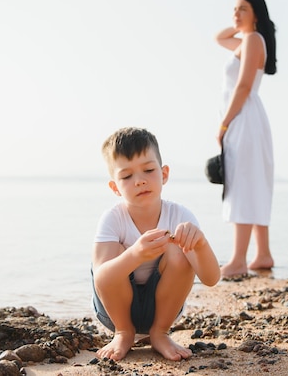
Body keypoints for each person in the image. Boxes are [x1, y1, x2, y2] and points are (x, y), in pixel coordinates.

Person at [92, 127, 220, 361]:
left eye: (148, 170)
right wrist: (135, 255)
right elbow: (101, 278)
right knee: (112, 258)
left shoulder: (180, 215)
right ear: (115, 187)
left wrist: (200, 244)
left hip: (164, 310)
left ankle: (160, 333)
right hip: (115, 311)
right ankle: (124, 333)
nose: (139, 181)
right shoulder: (113, 219)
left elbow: (211, 279)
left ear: (164, 174)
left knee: (181, 250)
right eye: (127, 176)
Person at [215, 0, 277, 278]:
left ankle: (238, 260)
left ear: (257, 14)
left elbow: (242, 87)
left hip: (243, 119)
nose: (235, 14)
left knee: (242, 185)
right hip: (250, 120)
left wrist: (224, 124)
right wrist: (242, 24)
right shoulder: (248, 40)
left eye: (243, 9)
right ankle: (262, 254)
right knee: (253, 184)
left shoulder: (252, 40)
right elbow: (219, 37)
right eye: (234, 9)